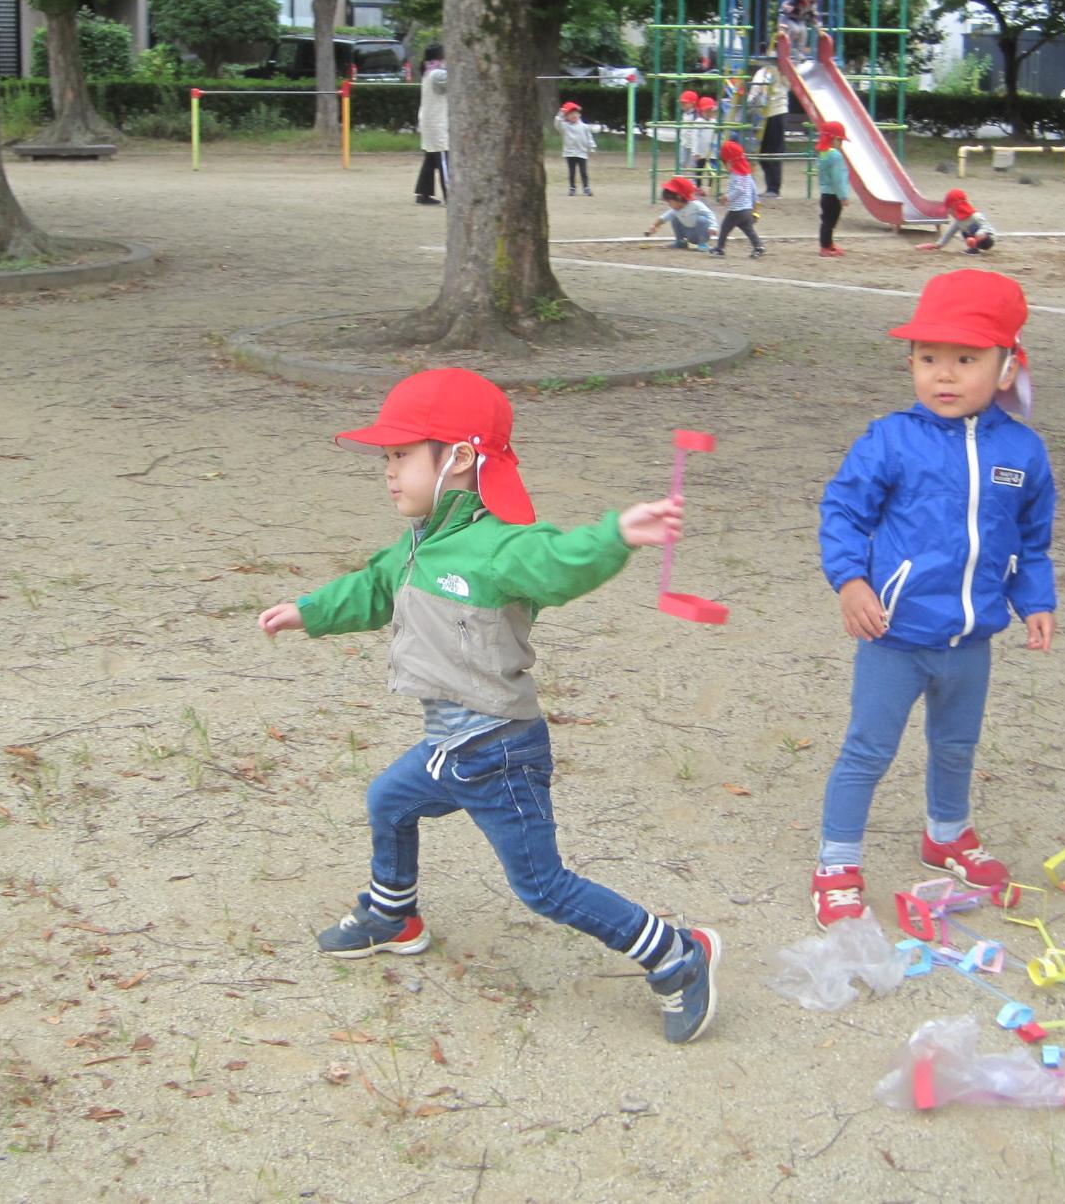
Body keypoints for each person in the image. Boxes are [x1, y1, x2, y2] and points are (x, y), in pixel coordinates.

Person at [256, 368, 721, 1043]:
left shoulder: (498, 547)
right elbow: (371, 589)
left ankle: (677, 955)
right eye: (385, 458)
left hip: (499, 751)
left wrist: (616, 533)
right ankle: (394, 915)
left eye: (402, 456)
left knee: (543, 887)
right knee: (390, 799)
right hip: (450, 746)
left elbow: (559, 560)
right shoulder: (418, 546)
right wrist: (307, 612)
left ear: (461, 459)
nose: (388, 472)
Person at [811, 270, 1056, 922]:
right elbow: (843, 512)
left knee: (956, 745)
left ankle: (946, 833)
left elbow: (1031, 542)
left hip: (971, 640)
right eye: (928, 359)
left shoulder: (1024, 453)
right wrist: (851, 581)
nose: (943, 376)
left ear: (1006, 369)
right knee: (869, 748)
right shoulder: (893, 439)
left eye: (966, 360)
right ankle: (837, 862)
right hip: (896, 635)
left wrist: (1036, 601)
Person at [708, 138, 765, 258]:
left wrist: (727, 197)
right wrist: (755, 203)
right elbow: (753, 189)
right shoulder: (747, 174)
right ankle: (758, 246)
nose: (725, 167)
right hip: (747, 209)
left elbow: (739, 189)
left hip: (737, 210)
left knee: (725, 227)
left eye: (725, 163)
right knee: (747, 228)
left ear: (730, 162)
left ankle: (720, 248)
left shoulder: (737, 175)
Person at [748, 56, 791, 198]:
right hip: (770, 114)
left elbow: (755, 93)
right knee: (766, 152)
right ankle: (772, 187)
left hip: (775, 112)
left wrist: (750, 104)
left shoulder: (776, 72)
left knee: (771, 151)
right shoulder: (769, 73)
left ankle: (773, 188)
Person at [413, 44, 449, 206]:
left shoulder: (428, 72)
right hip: (437, 123)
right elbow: (457, 81)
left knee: (430, 159)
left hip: (429, 121)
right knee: (443, 159)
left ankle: (424, 192)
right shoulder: (439, 74)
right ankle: (452, 194)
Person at [644, 175, 715, 250]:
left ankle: (703, 243)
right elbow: (664, 218)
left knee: (701, 220)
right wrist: (654, 225)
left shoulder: (695, 205)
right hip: (688, 233)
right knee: (675, 218)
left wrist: (713, 227)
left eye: (669, 201)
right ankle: (680, 241)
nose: (669, 204)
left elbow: (710, 214)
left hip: (700, 233)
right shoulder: (676, 209)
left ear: (679, 197)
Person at [916, 190, 995, 253]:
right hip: (974, 242)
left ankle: (974, 247)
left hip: (987, 241)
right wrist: (936, 245)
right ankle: (973, 249)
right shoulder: (959, 221)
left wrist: (981, 234)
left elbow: (988, 228)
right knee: (965, 231)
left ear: (955, 207)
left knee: (974, 228)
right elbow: (948, 234)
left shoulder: (975, 216)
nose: (949, 212)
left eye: (950, 209)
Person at [815, 119, 850, 257]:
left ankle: (828, 244)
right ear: (834, 139)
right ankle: (825, 247)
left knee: (827, 221)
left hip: (825, 193)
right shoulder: (835, 155)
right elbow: (838, 179)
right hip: (834, 195)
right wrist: (843, 196)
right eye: (840, 141)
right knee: (830, 222)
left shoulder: (822, 153)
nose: (841, 145)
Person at [555, 101, 596, 197]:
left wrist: (592, 146)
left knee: (583, 172)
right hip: (569, 153)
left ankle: (586, 188)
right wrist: (561, 113)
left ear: (579, 114)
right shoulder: (565, 127)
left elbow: (589, 137)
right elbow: (557, 123)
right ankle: (572, 188)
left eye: (575, 113)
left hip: (582, 153)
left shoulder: (584, 127)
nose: (573, 116)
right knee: (572, 172)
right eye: (570, 114)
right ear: (566, 117)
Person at [780, 0, 821, 65]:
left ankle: (799, 52)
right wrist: (782, 27)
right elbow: (785, 11)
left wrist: (818, 28)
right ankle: (787, 51)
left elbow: (813, 15)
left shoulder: (812, 2)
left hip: (799, 19)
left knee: (803, 31)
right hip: (787, 19)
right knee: (794, 29)